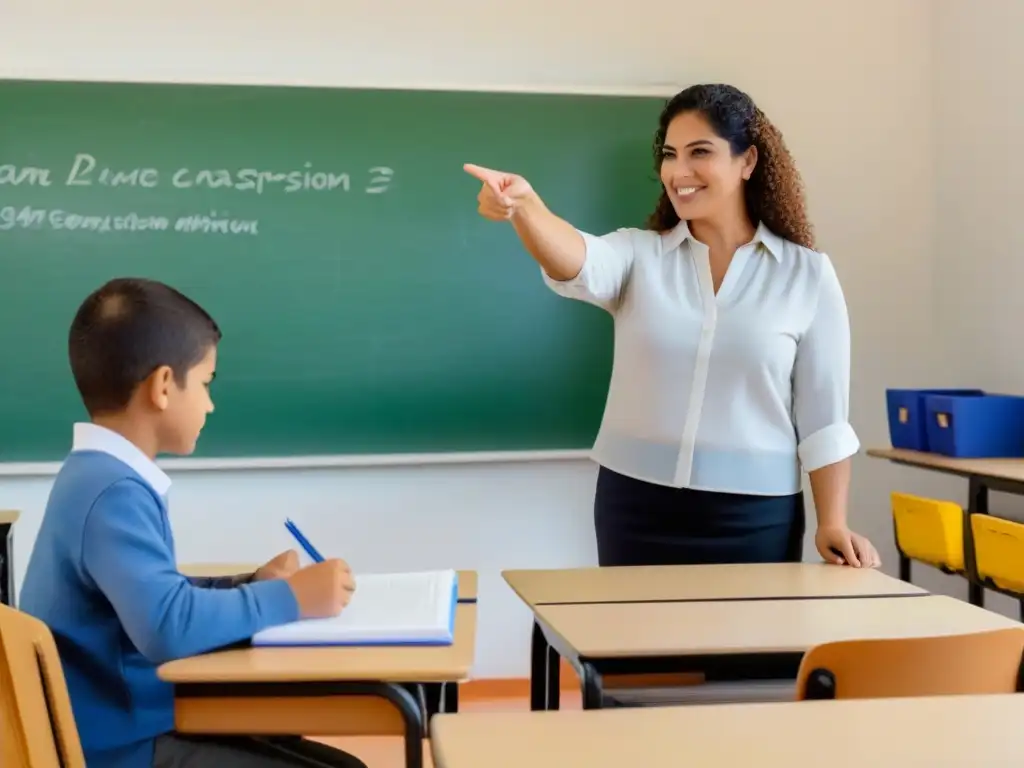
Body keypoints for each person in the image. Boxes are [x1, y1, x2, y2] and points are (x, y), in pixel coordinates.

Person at [464, 83, 880, 570]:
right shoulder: (640, 256)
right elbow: (577, 258)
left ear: (747, 162)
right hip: (636, 508)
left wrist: (832, 521)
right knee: (636, 645)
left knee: (752, 647)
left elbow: (824, 419)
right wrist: (526, 208)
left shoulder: (807, 275)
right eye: (669, 155)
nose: (678, 172)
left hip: (756, 517)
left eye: (699, 152)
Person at [18, 278, 366, 768]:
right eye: (205, 384)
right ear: (163, 386)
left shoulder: (94, 475)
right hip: (119, 749)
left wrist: (248, 584)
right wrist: (292, 597)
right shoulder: (114, 491)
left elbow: (160, 597)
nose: (209, 404)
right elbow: (166, 627)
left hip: (123, 726)